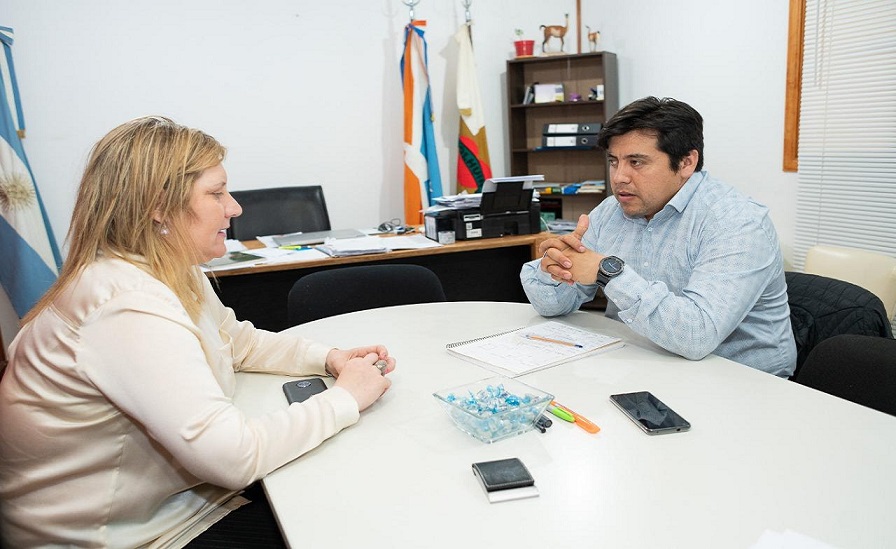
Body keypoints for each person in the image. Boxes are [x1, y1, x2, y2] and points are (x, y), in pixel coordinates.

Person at [0, 116, 395, 548]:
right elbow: (234, 457)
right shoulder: (125, 305)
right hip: (119, 537)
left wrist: (327, 358)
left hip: (176, 504)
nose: (235, 208)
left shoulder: (166, 269)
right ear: (158, 204)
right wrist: (345, 398)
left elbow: (239, 342)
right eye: (216, 193)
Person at [521, 96, 796, 377]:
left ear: (687, 162)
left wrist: (608, 273)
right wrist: (553, 269)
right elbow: (553, 306)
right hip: (643, 364)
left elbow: (697, 335)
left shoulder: (737, 222)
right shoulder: (611, 211)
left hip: (741, 384)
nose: (619, 177)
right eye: (614, 162)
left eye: (636, 162)